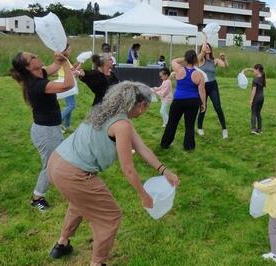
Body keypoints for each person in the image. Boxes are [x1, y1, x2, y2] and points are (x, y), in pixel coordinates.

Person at [46, 82, 180, 266]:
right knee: (110, 216)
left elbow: (142, 148)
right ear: (141, 105)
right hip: (74, 173)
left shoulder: (106, 112)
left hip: (56, 162)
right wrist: (144, 196)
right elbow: (128, 169)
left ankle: (61, 244)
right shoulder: (122, 124)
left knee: (80, 202)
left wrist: (165, 171)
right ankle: (97, 263)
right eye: (147, 107)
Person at [10, 50, 74, 211]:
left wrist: (62, 56)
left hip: (51, 129)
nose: (36, 56)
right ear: (28, 66)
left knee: (62, 160)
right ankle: (37, 198)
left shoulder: (40, 73)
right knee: (50, 166)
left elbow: (55, 65)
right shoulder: (36, 85)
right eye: (32, 57)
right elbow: (68, 85)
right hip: (45, 132)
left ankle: (67, 185)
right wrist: (66, 62)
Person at [160, 50, 207, 151]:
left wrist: (185, 58)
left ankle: (165, 144)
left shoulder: (179, 69)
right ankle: (189, 146)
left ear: (186, 59)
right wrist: (204, 103)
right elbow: (202, 91)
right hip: (193, 101)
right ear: (195, 60)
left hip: (178, 100)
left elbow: (174, 61)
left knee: (172, 123)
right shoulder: (199, 75)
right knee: (190, 125)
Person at [196, 42, 229, 138]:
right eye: (205, 47)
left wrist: (224, 59)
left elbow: (225, 65)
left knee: (218, 107)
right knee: (203, 107)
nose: (207, 48)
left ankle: (224, 129)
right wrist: (203, 49)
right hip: (203, 86)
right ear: (202, 49)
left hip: (213, 85)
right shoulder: (200, 60)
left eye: (208, 47)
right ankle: (200, 128)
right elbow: (199, 57)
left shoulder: (214, 60)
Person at [57, 45, 80, 133]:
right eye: (69, 49)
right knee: (71, 105)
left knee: (69, 105)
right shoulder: (65, 59)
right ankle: (57, 122)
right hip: (67, 83)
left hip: (65, 82)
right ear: (65, 50)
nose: (70, 51)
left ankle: (67, 125)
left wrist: (80, 62)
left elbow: (73, 69)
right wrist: (78, 71)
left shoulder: (63, 59)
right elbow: (73, 71)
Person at [242, 64, 266, 135]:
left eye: (254, 70)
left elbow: (254, 91)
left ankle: (253, 129)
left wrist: (251, 100)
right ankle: (259, 129)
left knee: (253, 113)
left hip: (256, 98)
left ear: (258, 70)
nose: (253, 71)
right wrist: (247, 69)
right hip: (262, 98)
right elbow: (257, 71)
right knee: (258, 113)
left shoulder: (255, 79)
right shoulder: (263, 77)